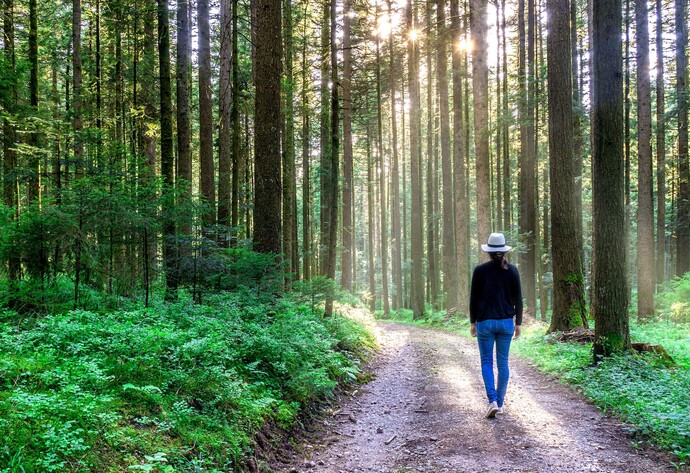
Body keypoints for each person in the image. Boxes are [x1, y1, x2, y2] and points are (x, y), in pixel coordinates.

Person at [469, 232, 523, 418]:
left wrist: (472, 322)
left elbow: (473, 299)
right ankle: (499, 404)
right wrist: (519, 324)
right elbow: (518, 299)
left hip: (485, 322)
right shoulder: (513, 271)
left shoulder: (480, 271)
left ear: (489, 251)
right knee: (503, 363)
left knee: (486, 362)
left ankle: (491, 400)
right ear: (504, 250)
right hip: (506, 323)